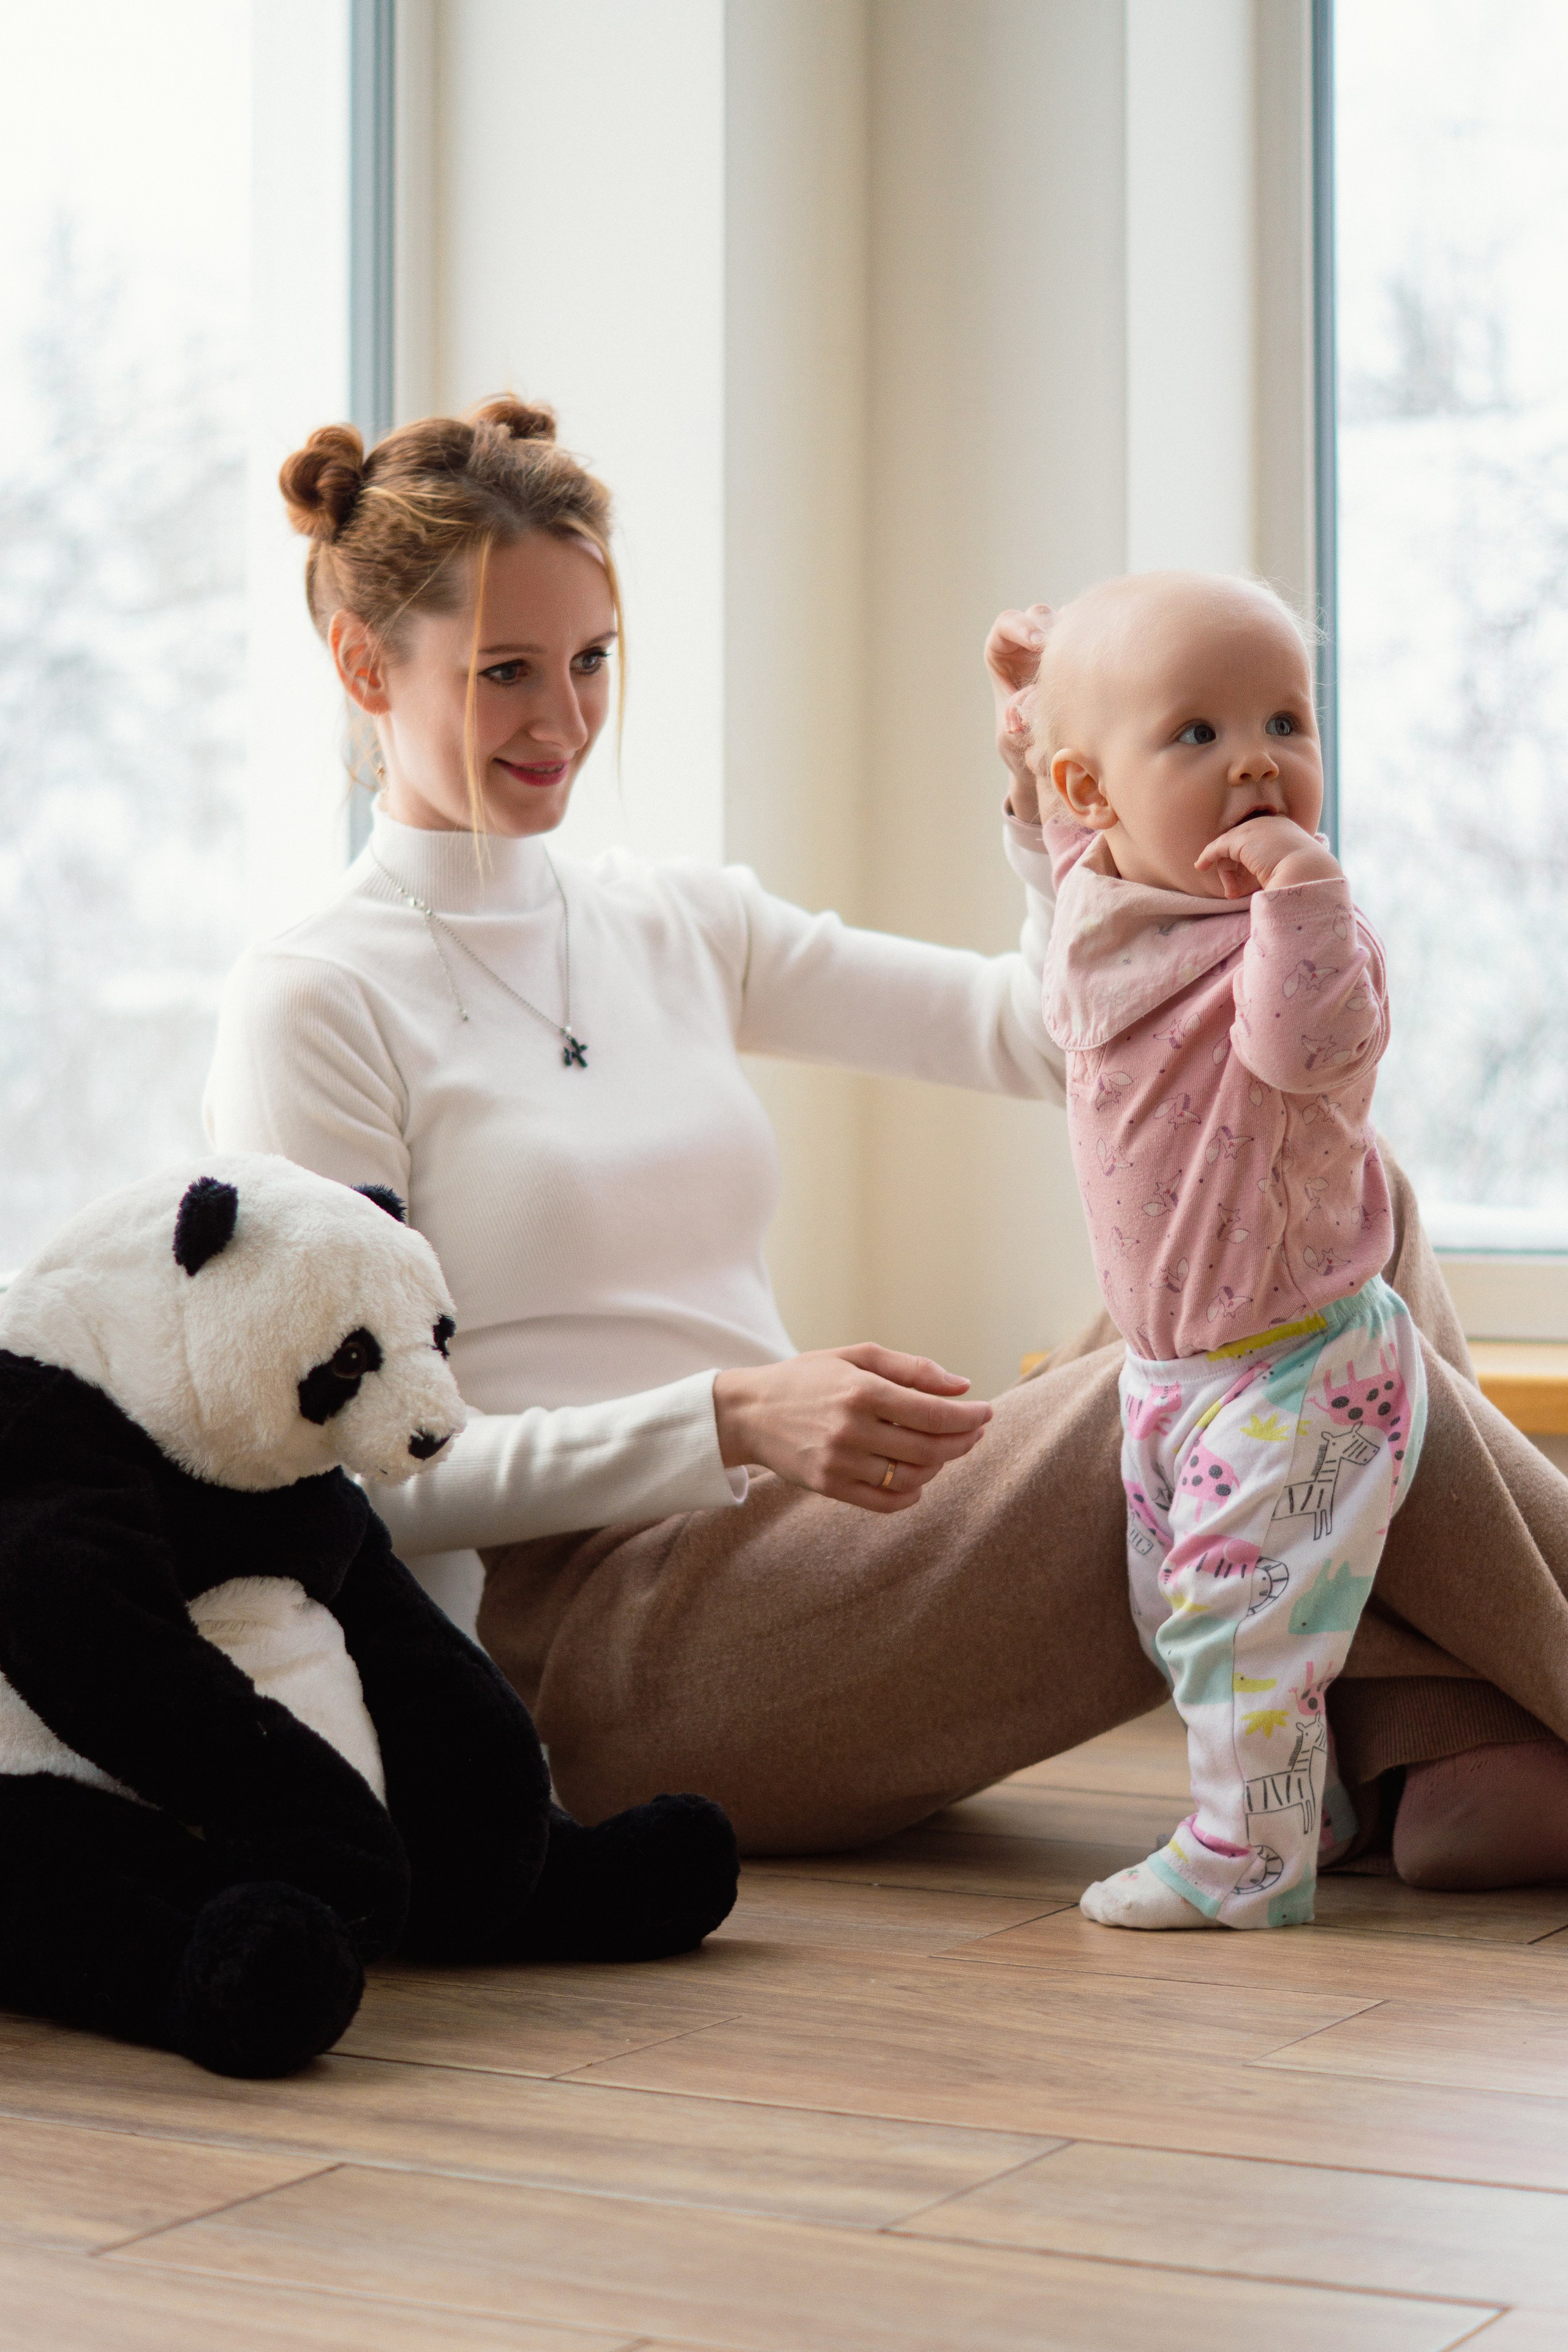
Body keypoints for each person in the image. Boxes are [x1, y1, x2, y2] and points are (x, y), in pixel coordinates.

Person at [208, 396, 1568, 1891]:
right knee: (1271, 1352)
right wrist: (724, 1418)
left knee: (1335, 1220)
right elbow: (356, 1483)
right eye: (503, 673)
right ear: (360, 664)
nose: (563, 719)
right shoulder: (313, 1000)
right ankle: (1452, 1739)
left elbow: (1051, 1039)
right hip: (604, 1647)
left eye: (592, 660)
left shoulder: (670, 920)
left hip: (814, 1546)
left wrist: (1053, 811)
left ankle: (1423, 1750)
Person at [1011, 571, 1422, 1931]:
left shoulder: (1302, 934)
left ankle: (1242, 1863)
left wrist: (1303, 896)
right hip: (1168, 1376)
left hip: (1303, 1359)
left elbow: (1302, 1052)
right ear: (1095, 793)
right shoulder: (1095, 913)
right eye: (1193, 734)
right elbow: (1045, 838)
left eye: (1285, 723)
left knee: (1234, 1620)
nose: (1255, 757)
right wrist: (1028, 712)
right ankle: (1299, 1805)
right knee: (1178, 1619)